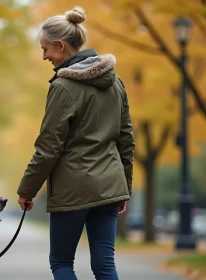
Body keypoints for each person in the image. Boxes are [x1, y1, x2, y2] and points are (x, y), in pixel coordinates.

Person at [16, 6, 135, 280]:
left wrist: (27, 191)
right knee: (105, 265)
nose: (44, 55)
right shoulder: (116, 84)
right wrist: (124, 187)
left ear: (61, 45)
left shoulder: (63, 87)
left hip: (73, 190)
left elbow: (48, 147)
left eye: (46, 48)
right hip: (110, 186)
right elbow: (126, 140)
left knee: (61, 263)